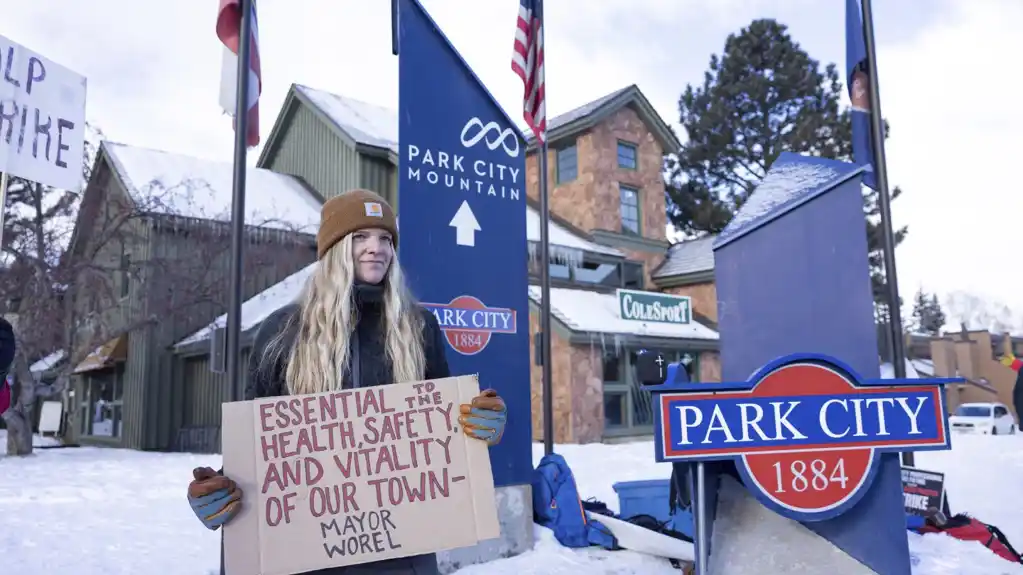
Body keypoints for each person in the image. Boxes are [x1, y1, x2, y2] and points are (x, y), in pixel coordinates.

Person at [186, 189, 509, 575]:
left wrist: (480, 426)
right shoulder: (281, 332)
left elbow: (446, 431)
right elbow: (258, 445)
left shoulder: (419, 328)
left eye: (385, 239)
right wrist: (220, 492)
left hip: (402, 552)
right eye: (361, 237)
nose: (376, 248)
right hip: (306, 554)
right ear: (335, 248)